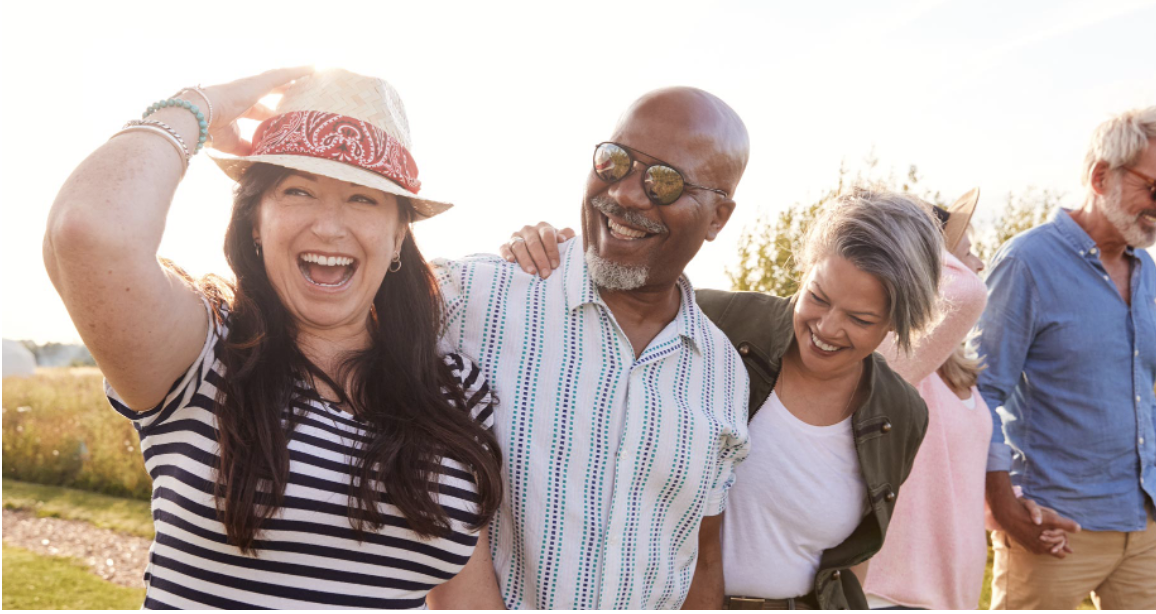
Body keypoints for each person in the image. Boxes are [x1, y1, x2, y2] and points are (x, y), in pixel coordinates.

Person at [43, 68, 505, 609]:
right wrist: (201, 106)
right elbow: (90, 230)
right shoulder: (202, 353)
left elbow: (466, 598)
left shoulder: (453, 391)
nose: (329, 227)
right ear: (255, 221)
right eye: (299, 190)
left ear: (398, 232)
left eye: (363, 199)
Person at [500, 185, 944, 609]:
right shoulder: (714, 323)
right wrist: (548, 247)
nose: (827, 328)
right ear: (805, 272)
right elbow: (598, 295)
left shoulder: (901, 411)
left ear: (897, 323)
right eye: (818, 297)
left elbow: (854, 559)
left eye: (860, 318)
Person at [434, 87, 752, 609]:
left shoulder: (723, 375)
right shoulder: (471, 301)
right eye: (614, 161)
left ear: (718, 217)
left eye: (665, 181)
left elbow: (701, 556)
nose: (626, 194)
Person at [973, 106, 1156, 610]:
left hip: (1152, 524)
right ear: (1101, 176)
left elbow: (1143, 388)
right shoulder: (1026, 263)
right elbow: (979, 393)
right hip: (1056, 530)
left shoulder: (1147, 270)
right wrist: (1006, 514)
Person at [859, 189, 1074, 610]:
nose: (978, 266)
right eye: (967, 254)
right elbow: (965, 291)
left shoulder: (958, 373)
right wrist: (912, 243)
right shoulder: (896, 360)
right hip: (891, 593)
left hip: (951, 594)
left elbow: (949, 477)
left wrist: (1008, 513)